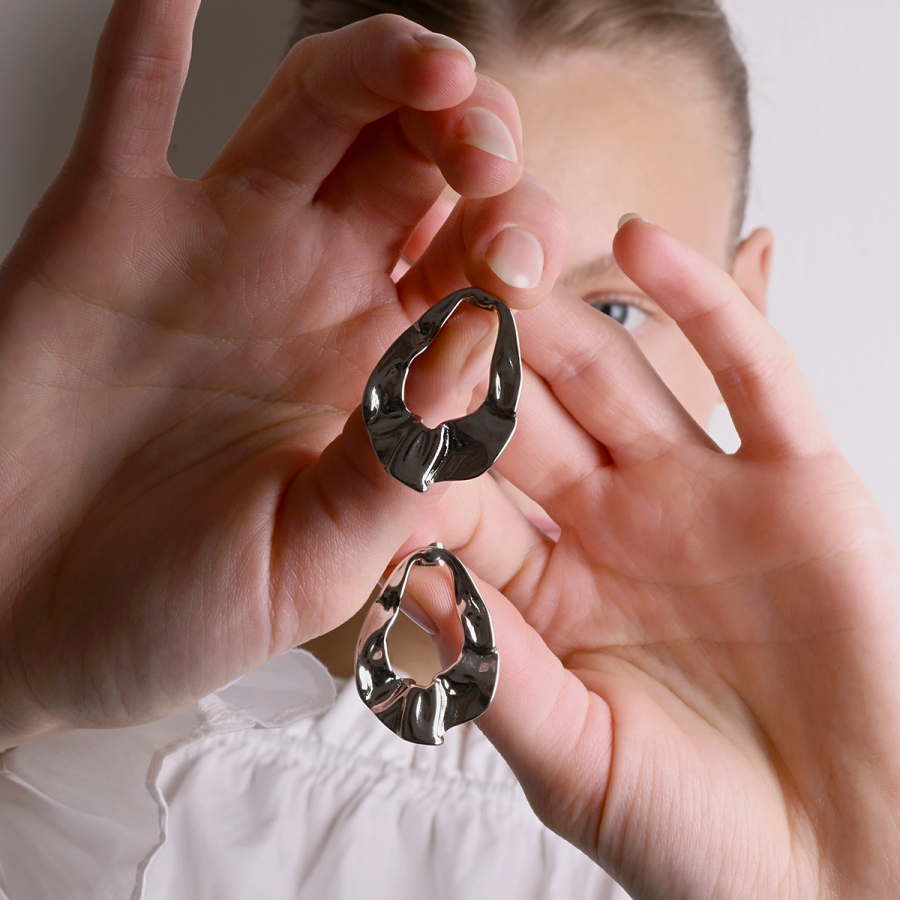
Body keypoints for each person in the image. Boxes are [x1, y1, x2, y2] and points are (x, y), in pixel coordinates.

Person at [0, 3, 898, 900]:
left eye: (618, 312)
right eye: (438, 298)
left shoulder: (788, 818)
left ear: (746, 308)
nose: (500, 395)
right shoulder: (75, 737)